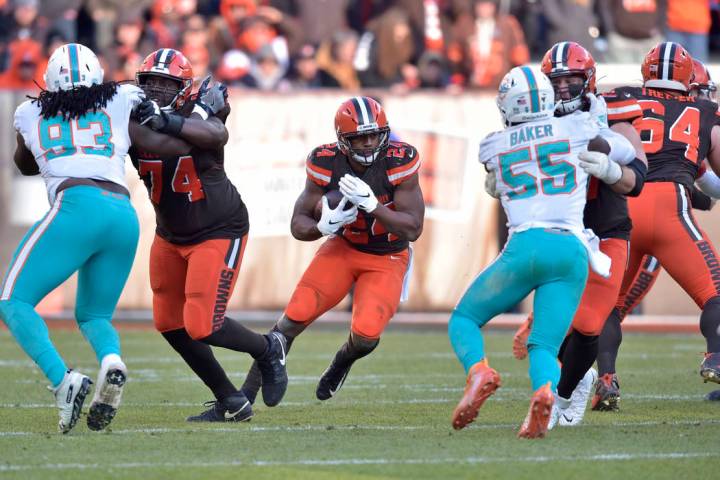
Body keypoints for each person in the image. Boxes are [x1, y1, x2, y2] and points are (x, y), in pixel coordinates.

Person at [449, 65, 627, 439]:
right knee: (543, 343)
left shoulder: (493, 144)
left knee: (464, 319)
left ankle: (479, 369)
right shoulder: (577, 127)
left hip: (525, 247)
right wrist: (606, 154)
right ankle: (545, 392)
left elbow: (499, 176)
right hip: (570, 250)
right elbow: (622, 149)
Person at [130, 48, 288, 422]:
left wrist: (175, 118)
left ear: (183, 88)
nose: (155, 90)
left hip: (218, 227)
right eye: (149, 81)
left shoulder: (202, 114)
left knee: (203, 325)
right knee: (169, 322)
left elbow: (215, 133)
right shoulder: (134, 118)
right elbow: (151, 139)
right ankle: (231, 400)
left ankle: (268, 348)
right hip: (170, 233)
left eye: (165, 83)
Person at [0, 43, 148, 433]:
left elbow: (24, 163)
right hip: (123, 213)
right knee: (94, 315)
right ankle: (111, 360)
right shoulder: (124, 96)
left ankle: (63, 380)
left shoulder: (29, 111)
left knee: (13, 301)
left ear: (49, 80)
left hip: (77, 204)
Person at [240, 96, 424, 403]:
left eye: (374, 135)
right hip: (344, 246)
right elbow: (298, 224)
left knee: (366, 336)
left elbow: (413, 228)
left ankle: (343, 359)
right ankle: (244, 395)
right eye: (359, 137)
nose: (368, 143)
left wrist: (373, 206)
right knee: (293, 317)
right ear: (342, 141)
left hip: (387, 254)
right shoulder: (325, 161)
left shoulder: (399, 160)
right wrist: (322, 227)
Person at [510, 41, 647, 427]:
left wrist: (609, 170)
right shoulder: (531, 116)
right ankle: (560, 389)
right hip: (559, 231)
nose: (565, 88)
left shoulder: (612, 110)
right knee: (555, 329)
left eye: (572, 79)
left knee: (589, 323)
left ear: (588, 79)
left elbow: (638, 178)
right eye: (557, 80)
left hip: (605, 229)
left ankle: (562, 394)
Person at [594, 53, 720, 409]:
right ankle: (716, 355)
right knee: (715, 293)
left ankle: (607, 378)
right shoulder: (702, 111)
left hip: (624, 203)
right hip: (669, 207)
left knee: (609, 305)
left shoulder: (619, 97)